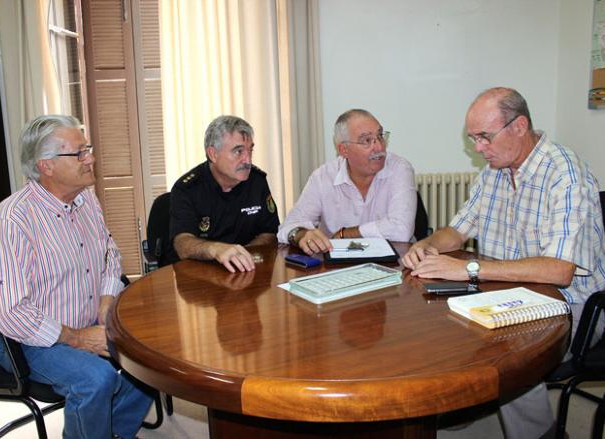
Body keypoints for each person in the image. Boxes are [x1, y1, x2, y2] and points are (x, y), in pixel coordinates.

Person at [402, 87, 605, 439]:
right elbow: (456, 231)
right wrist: (425, 245)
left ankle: (540, 434)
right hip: (510, 291)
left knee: (507, 348)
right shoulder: (494, 171)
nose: (479, 148)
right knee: (439, 316)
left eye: (484, 137)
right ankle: (465, 401)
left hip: (574, 305)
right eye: (473, 139)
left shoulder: (565, 176)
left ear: (520, 126)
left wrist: (469, 269)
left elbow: (560, 270)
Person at [0, 115, 153, 439]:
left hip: (89, 319)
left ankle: (111, 432)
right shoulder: (11, 222)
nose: (90, 158)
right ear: (46, 165)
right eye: (79, 153)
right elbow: (12, 313)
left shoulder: (86, 198)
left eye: (86, 149)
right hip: (27, 339)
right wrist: (77, 338)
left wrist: (106, 300)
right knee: (96, 379)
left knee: (153, 358)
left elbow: (108, 252)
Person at [277, 109, 416, 255]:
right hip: (338, 267)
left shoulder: (399, 169)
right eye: (367, 140)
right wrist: (302, 235)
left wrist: (347, 234)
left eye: (380, 136)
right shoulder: (323, 177)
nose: (380, 147)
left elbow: (402, 229)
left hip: (394, 263)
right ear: (344, 150)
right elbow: (288, 227)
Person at [168, 115, 280, 272]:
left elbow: (269, 233)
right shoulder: (187, 188)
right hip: (201, 277)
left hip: (246, 270)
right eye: (238, 151)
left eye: (250, 150)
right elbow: (182, 244)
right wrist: (216, 250)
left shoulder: (257, 181)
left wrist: (240, 254)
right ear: (213, 154)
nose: (247, 160)